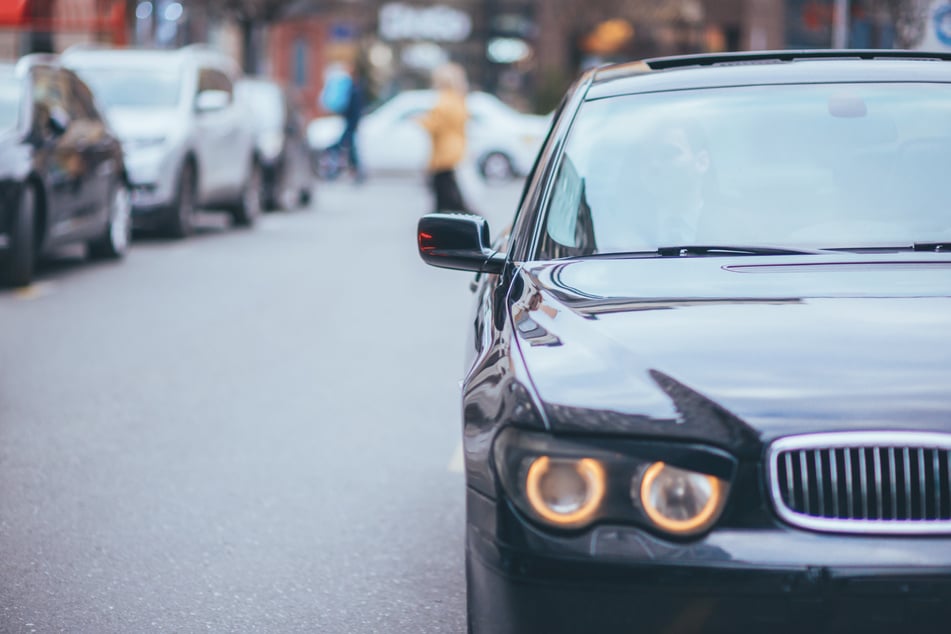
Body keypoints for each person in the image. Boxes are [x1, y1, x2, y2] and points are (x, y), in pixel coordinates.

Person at [417, 63, 471, 213]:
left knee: (441, 186)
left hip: (444, 150)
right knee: (445, 185)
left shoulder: (444, 100)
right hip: (455, 147)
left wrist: (420, 121)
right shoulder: (459, 99)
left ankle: (446, 217)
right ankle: (447, 214)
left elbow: (436, 125)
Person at [322, 61, 365, 183]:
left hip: (350, 123)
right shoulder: (353, 88)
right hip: (350, 123)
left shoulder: (352, 89)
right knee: (347, 147)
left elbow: (352, 109)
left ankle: (346, 171)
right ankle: (351, 171)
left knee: (345, 147)